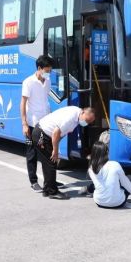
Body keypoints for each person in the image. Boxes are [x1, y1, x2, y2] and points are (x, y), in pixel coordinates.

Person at [32, 106, 96, 199]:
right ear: (83, 112)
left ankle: (47, 189)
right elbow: (56, 133)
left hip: (46, 135)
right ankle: (52, 192)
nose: (86, 123)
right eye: (87, 120)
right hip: (41, 134)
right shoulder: (71, 117)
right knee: (51, 162)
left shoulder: (76, 119)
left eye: (89, 122)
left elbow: (61, 134)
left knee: (49, 162)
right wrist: (55, 150)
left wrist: (55, 147)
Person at [21, 55, 53, 193]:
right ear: (39, 68)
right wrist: (24, 123)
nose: (48, 72)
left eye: (50, 70)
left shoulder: (48, 80)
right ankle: (33, 181)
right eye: (47, 70)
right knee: (32, 152)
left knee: (48, 152)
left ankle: (50, 179)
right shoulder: (28, 82)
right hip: (33, 123)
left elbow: (45, 100)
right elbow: (23, 103)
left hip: (46, 123)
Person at [81, 141, 131, 208]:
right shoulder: (115, 164)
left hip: (99, 202)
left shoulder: (91, 168)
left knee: (99, 183)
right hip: (118, 203)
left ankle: (88, 189)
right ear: (106, 152)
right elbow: (125, 182)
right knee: (130, 178)